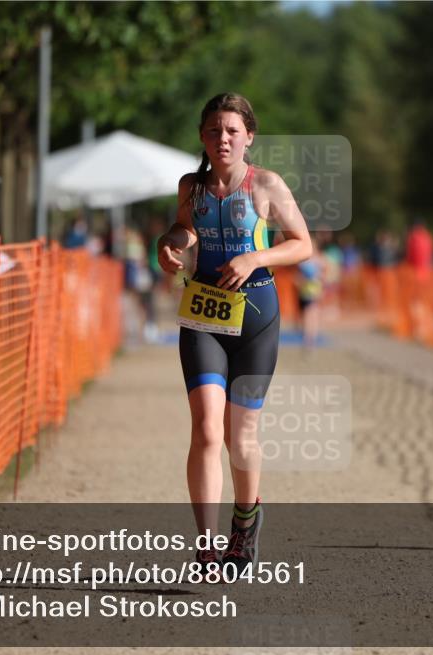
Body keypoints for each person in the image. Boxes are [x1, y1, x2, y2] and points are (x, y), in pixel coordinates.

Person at [156, 93, 312, 578]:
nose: (221, 139)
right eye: (212, 130)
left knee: (240, 435)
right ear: (202, 137)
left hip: (256, 318)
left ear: (248, 136)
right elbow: (184, 229)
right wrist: (169, 244)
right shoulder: (191, 186)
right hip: (204, 314)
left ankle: (244, 521)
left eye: (230, 130)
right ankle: (205, 547)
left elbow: (302, 244)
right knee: (205, 428)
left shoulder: (266, 184)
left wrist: (254, 258)